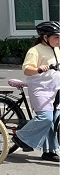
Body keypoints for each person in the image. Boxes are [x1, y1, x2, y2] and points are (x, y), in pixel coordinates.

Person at [10, 21, 60, 162]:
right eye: (56, 37)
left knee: (54, 120)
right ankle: (21, 137)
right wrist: (38, 69)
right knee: (46, 118)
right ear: (45, 37)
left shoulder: (56, 49)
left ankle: (49, 151)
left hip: (55, 89)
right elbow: (26, 69)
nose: (59, 40)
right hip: (41, 89)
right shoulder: (35, 51)